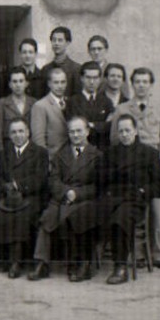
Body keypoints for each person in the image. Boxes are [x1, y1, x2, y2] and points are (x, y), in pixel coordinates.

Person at [109, 67, 160, 267]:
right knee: (132, 205)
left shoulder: (159, 107)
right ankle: (139, 254)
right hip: (130, 162)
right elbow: (115, 137)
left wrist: (153, 154)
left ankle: (156, 252)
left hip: (151, 160)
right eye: (137, 82)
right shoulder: (123, 109)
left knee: (156, 208)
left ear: (151, 85)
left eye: (145, 82)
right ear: (132, 85)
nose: (141, 85)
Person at [29, 117, 102, 282]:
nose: (75, 135)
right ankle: (42, 263)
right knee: (47, 218)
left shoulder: (97, 155)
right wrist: (65, 192)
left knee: (79, 218)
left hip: (84, 200)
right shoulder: (61, 154)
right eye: (71, 131)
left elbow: (98, 185)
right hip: (61, 197)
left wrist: (77, 194)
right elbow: (52, 179)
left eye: (79, 131)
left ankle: (81, 263)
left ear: (87, 132)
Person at [98, 115, 160, 285]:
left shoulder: (149, 153)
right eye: (121, 131)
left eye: (127, 130)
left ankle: (120, 267)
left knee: (119, 219)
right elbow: (100, 180)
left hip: (134, 201)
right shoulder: (110, 154)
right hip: (111, 199)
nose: (124, 134)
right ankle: (84, 263)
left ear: (135, 131)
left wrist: (144, 191)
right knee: (86, 214)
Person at [0, 119, 49, 279]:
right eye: (14, 132)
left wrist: (18, 185)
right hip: (9, 196)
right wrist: (6, 187)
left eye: (21, 131)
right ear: (9, 135)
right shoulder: (3, 153)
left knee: (21, 215)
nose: (18, 135)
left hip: (31, 196)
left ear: (28, 132)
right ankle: (4, 258)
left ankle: (16, 261)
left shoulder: (40, 152)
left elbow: (40, 178)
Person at [67, 61, 115, 151]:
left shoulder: (106, 102)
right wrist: (100, 125)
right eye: (88, 77)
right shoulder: (72, 101)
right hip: (81, 150)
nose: (92, 82)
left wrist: (91, 125)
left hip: (102, 150)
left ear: (100, 79)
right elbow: (75, 127)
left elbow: (110, 126)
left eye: (95, 78)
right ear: (81, 78)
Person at [0, 67, 36, 151]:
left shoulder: (34, 103)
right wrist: (1, 154)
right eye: (14, 81)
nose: (18, 85)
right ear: (10, 84)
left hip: (29, 150)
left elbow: (36, 132)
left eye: (21, 81)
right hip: (8, 149)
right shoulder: (1, 104)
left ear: (26, 83)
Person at [29, 69, 70, 156]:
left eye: (63, 82)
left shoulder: (70, 102)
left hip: (69, 157)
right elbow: (38, 139)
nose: (60, 86)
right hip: (53, 157)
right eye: (56, 82)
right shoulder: (40, 106)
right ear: (49, 84)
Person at [41, 26, 81, 96]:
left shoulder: (76, 69)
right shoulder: (45, 69)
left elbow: (77, 97)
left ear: (67, 43)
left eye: (60, 40)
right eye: (54, 40)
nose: (56, 43)